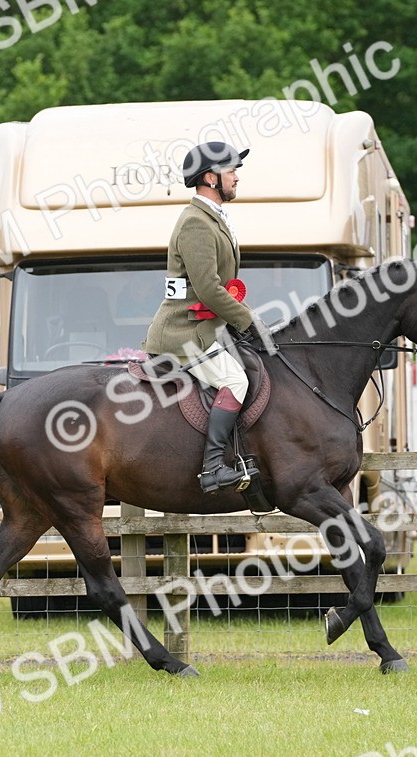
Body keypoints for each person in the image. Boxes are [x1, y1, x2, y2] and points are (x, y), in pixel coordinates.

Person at [144, 141, 260, 493]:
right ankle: (212, 468)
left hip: (207, 326)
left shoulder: (213, 218)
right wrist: (248, 321)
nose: (236, 177)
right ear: (210, 178)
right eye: (231, 171)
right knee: (236, 382)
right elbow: (208, 288)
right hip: (185, 332)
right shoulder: (196, 222)